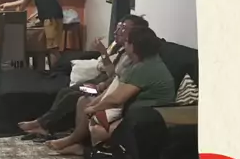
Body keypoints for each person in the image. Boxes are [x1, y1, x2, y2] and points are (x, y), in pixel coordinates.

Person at [46, 26, 175, 156]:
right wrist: (95, 104)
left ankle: (89, 153)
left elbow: (117, 99)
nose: (124, 45)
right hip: (131, 110)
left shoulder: (145, 68)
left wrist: (94, 108)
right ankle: (80, 145)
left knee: (97, 128)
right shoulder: (141, 62)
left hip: (149, 118)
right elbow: (116, 86)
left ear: (134, 46)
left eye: (127, 42)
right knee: (83, 101)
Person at [18, 15, 149, 137]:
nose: (118, 31)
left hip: (102, 87)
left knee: (73, 96)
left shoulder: (133, 55)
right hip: (99, 81)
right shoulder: (120, 48)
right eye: (119, 27)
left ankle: (42, 124)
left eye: (123, 28)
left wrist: (103, 53)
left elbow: (114, 76)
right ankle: (44, 124)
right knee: (66, 91)